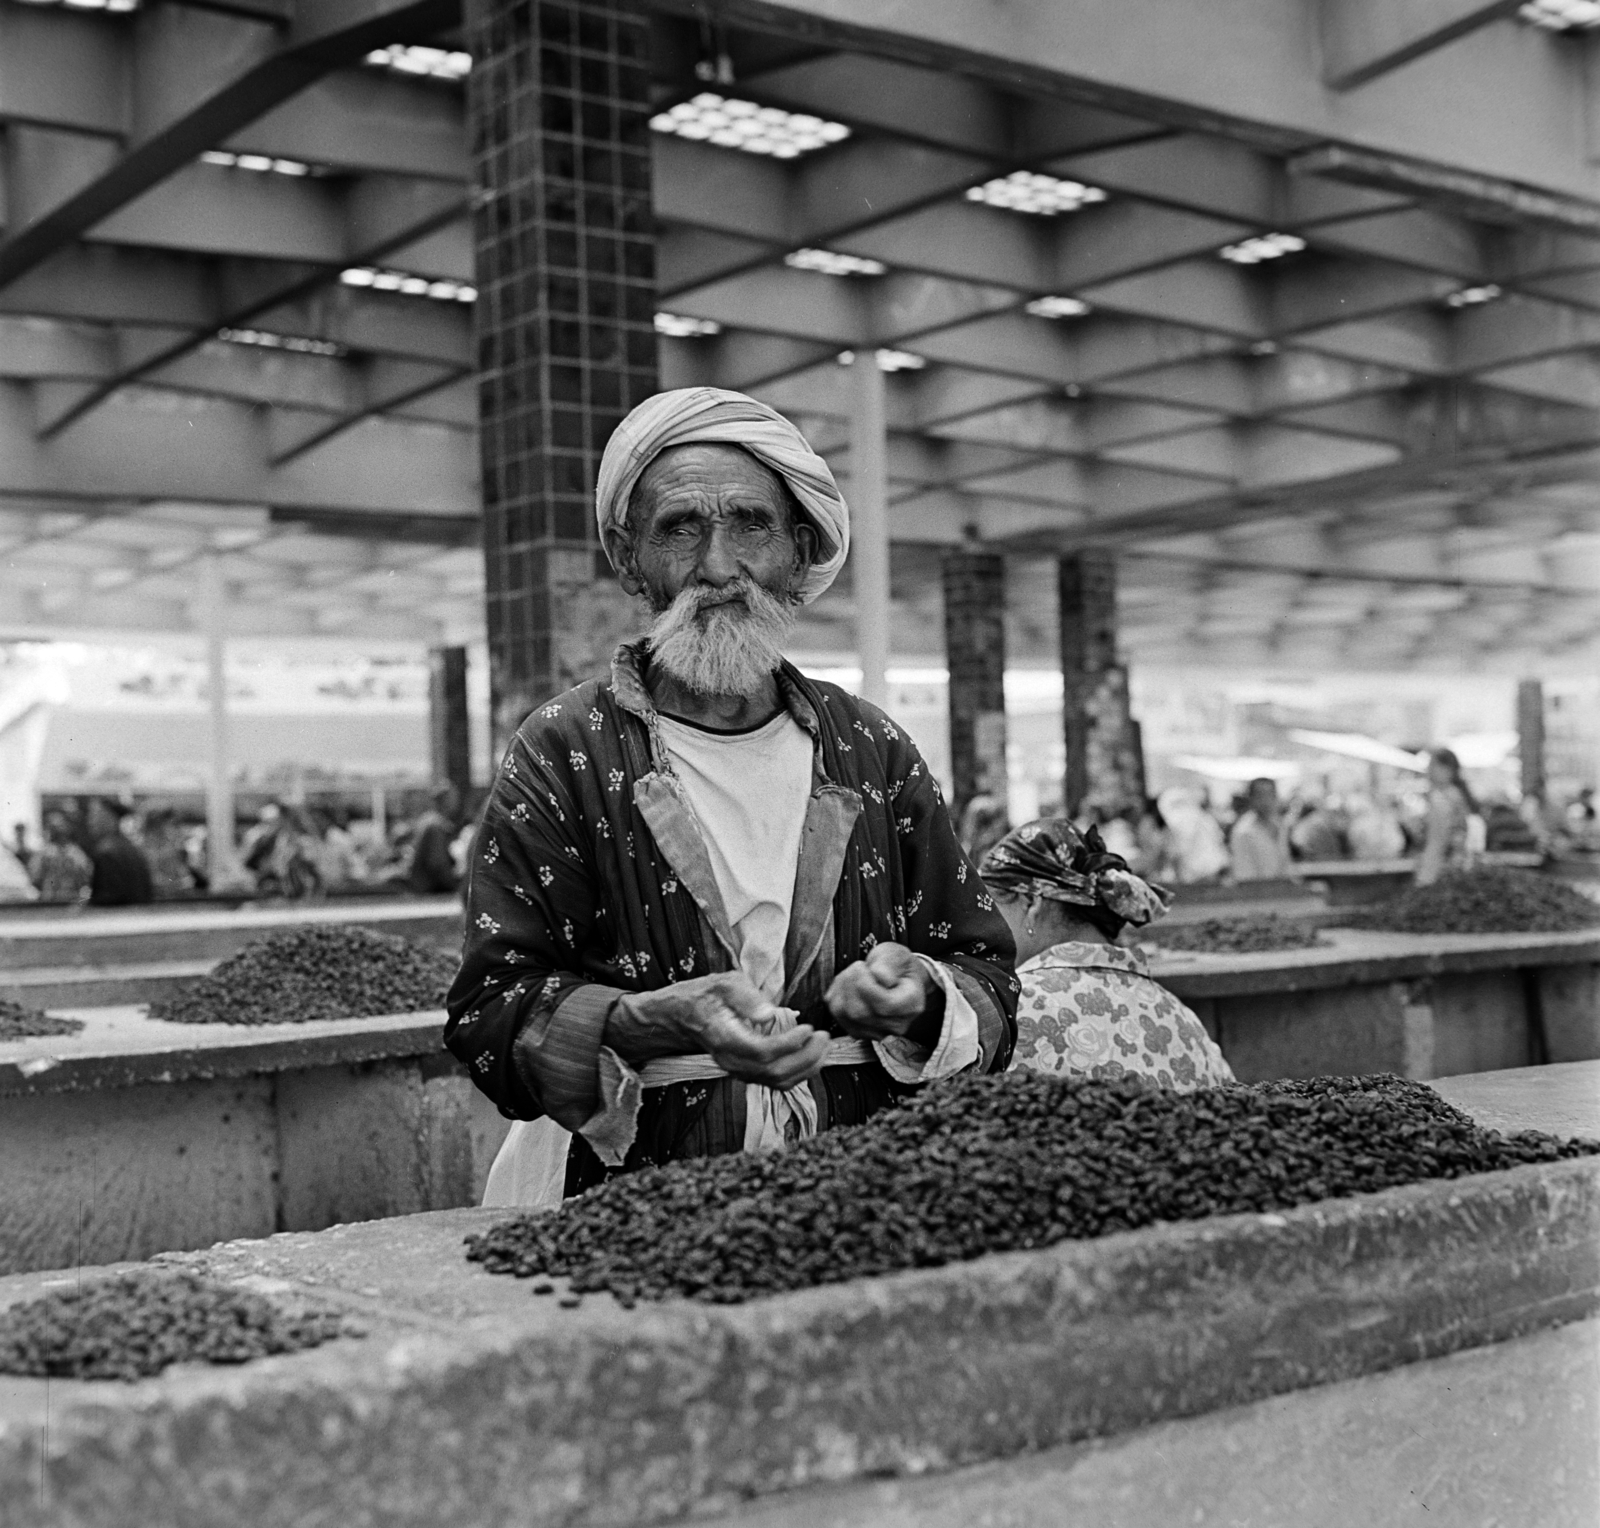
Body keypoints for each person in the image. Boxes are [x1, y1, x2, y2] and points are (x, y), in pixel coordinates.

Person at [450, 386, 1018, 1205]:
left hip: (864, 1193)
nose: (719, 567)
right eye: (680, 528)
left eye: (751, 524)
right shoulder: (565, 749)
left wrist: (923, 996)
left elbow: (988, 969)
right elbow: (491, 1011)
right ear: (628, 556)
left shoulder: (870, 748)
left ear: (797, 548)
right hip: (631, 1199)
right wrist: (648, 1023)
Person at [979, 819, 1234, 1090]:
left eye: (991, 909)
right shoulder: (1179, 1018)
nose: (984, 931)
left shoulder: (1006, 1013)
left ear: (1031, 903)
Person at [1416, 747, 1475, 886]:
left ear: (1447, 769)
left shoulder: (1446, 797)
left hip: (1439, 868)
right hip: (1439, 865)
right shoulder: (1447, 795)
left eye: (1432, 765)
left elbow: (1450, 836)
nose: (1428, 771)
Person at [86, 798, 153, 906]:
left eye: (94, 815)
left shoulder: (107, 851)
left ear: (110, 818)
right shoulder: (130, 847)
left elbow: (107, 898)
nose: (90, 822)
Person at [1228, 777, 1290, 882]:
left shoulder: (1279, 825)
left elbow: (1285, 865)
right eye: (1260, 795)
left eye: (1270, 795)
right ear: (1251, 798)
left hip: (1280, 890)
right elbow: (1243, 875)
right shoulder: (1243, 831)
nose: (1266, 801)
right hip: (1257, 893)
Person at [408, 783, 462, 894]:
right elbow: (437, 864)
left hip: (423, 888)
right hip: (429, 892)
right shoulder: (435, 826)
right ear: (445, 800)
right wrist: (454, 887)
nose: (457, 802)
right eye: (453, 798)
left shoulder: (428, 821)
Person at [31, 810, 93, 904]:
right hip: (47, 900)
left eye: (60, 825)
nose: (58, 830)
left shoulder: (76, 853)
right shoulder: (43, 853)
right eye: (53, 827)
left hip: (71, 900)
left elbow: (86, 878)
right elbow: (34, 878)